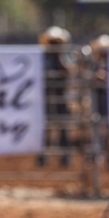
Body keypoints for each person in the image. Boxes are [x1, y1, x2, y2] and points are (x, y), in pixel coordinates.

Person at [37, 26, 73, 168]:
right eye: (53, 42)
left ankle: (65, 157)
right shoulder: (43, 57)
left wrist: (60, 55)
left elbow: (68, 70)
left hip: (61, 96)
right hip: (46, 97)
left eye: (57, 42)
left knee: (63, 128)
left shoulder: (65, 56)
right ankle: (43, 156)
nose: (55, 44)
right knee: (45, 127)